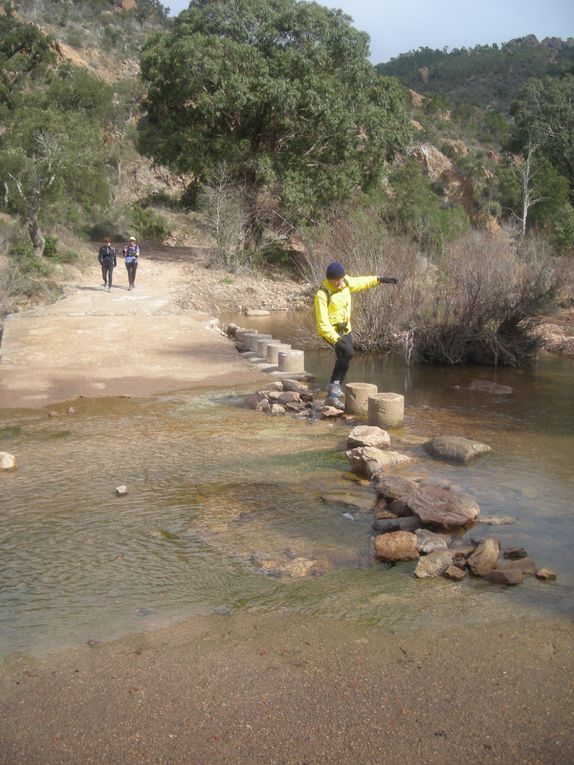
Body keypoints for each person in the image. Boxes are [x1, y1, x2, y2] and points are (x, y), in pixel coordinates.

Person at [314, 261, 398, 406]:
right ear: (329, 279)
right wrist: (335, 339)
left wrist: (379, 279)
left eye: (341, 278)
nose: (340, 282)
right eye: (336, 280)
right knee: (348, 353)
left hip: (346, 329)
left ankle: (333, 393)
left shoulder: (346, 282)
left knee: (345, 359)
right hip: (331, 332)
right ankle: (333, 387)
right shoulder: (322, 294)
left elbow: (361, 282)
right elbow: (322, 324)